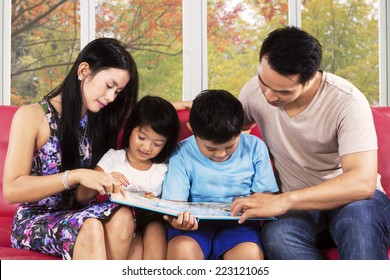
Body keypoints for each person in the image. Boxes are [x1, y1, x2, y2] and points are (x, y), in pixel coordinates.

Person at [231, 26, 390, 260]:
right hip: (301, 210)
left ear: (311, 78)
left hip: (355, 202)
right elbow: (226, 128)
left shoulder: (346, 101)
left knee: (358, 222)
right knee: (278, 236)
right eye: (264, 83)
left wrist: (283, 200)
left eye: (283, 91)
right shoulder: (255, 90)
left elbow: (362, 183)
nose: (269, 96)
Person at [3, 38, 141, 260]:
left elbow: (145, 119)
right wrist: (76, 176)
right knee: (91, 226)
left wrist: (101, 178)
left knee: (124, 216)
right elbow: (12, 190)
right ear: (84, 70)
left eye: (118, 91)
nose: (111, 97)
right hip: (34, 220)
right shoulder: (32, 116)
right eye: (109, 85)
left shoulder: (99, 120)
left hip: (75, 213)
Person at [161, 89, 279, 260]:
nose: (221, 154)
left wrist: (253, 203)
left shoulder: (255, 147)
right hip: (193, 225)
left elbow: (266, 196)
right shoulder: (181, 153)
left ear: (241, 130)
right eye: (211, 148)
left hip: (239, 224)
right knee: (182, 249)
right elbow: (174, 205)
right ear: (192, 129)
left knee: (249, 254)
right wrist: (177, 220)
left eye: (230, 146)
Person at [75, 95, 180, 259]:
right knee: (133, 251)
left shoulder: (163, 167)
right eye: (142, 138)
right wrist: (104, 178)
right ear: (131, 129)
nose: (147, 147)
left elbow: (172, 202)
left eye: (157, 144)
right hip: (121, 223)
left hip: (153, 221)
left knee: (156, 232)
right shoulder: (114, 158)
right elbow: (81, 195)